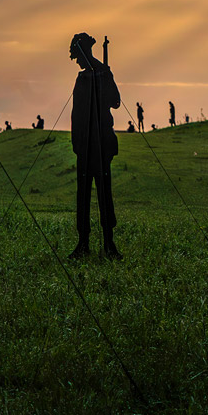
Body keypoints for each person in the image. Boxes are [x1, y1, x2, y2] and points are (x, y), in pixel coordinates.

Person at [69, 33, 122, 259]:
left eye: (77, 57)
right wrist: (77, 143)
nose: (77, 62)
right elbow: (76, 113)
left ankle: (109, 242)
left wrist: (105, 82)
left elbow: (115, 102)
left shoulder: (103, 74)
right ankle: (83, 242)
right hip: (85, 145)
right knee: (83, 195)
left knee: (103, 193)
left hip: (101, 144)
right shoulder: (82, 79)